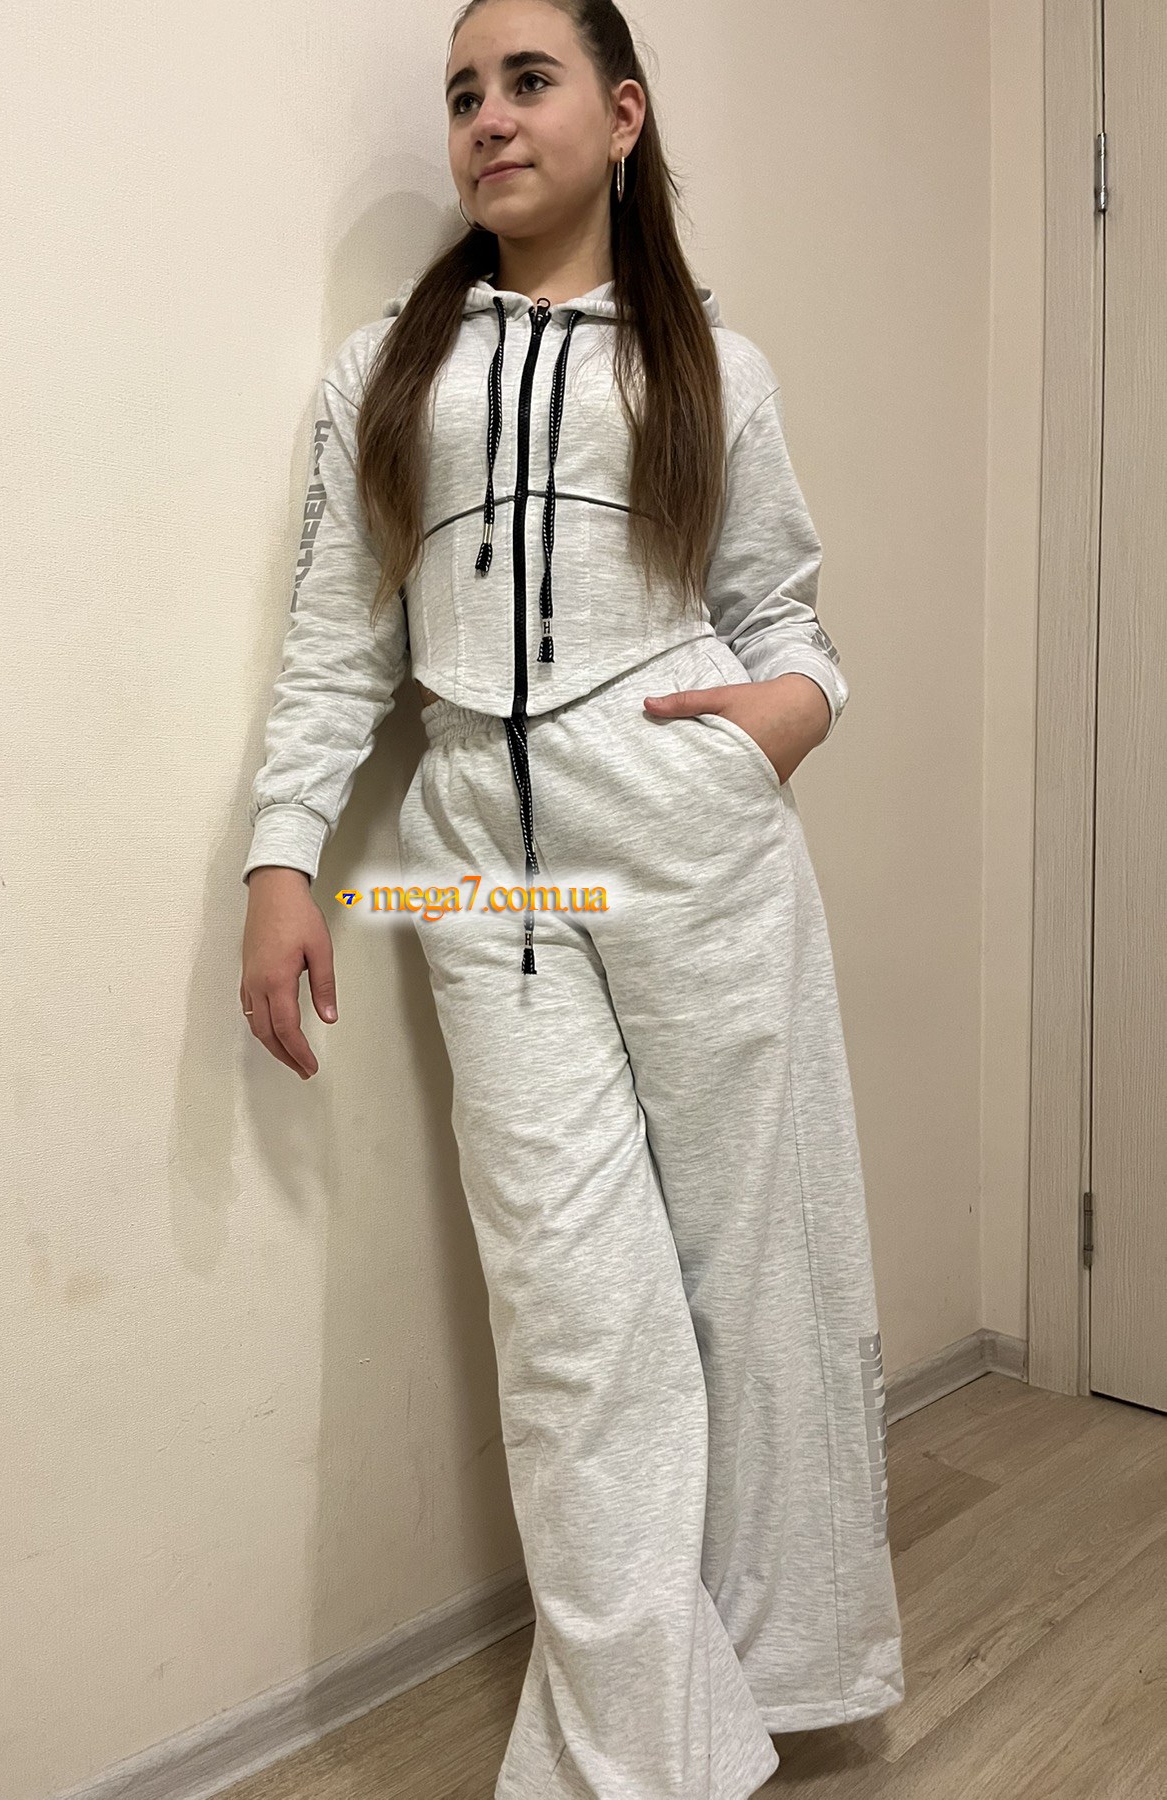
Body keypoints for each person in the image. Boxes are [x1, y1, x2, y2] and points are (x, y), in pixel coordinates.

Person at [239, 0, 905, 1793]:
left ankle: (769, 1676)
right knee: (570, 1316)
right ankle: (637, 1757)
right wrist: (283, 856)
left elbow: (784, 616)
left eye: (525, 81)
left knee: (754, 1269)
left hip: (690, 841)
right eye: (462, 92)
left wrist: (782, 719)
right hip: (471, 864)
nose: (486, 116)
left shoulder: (713, 370)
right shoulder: (386, 373)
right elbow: (335, 644)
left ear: (620, 116)